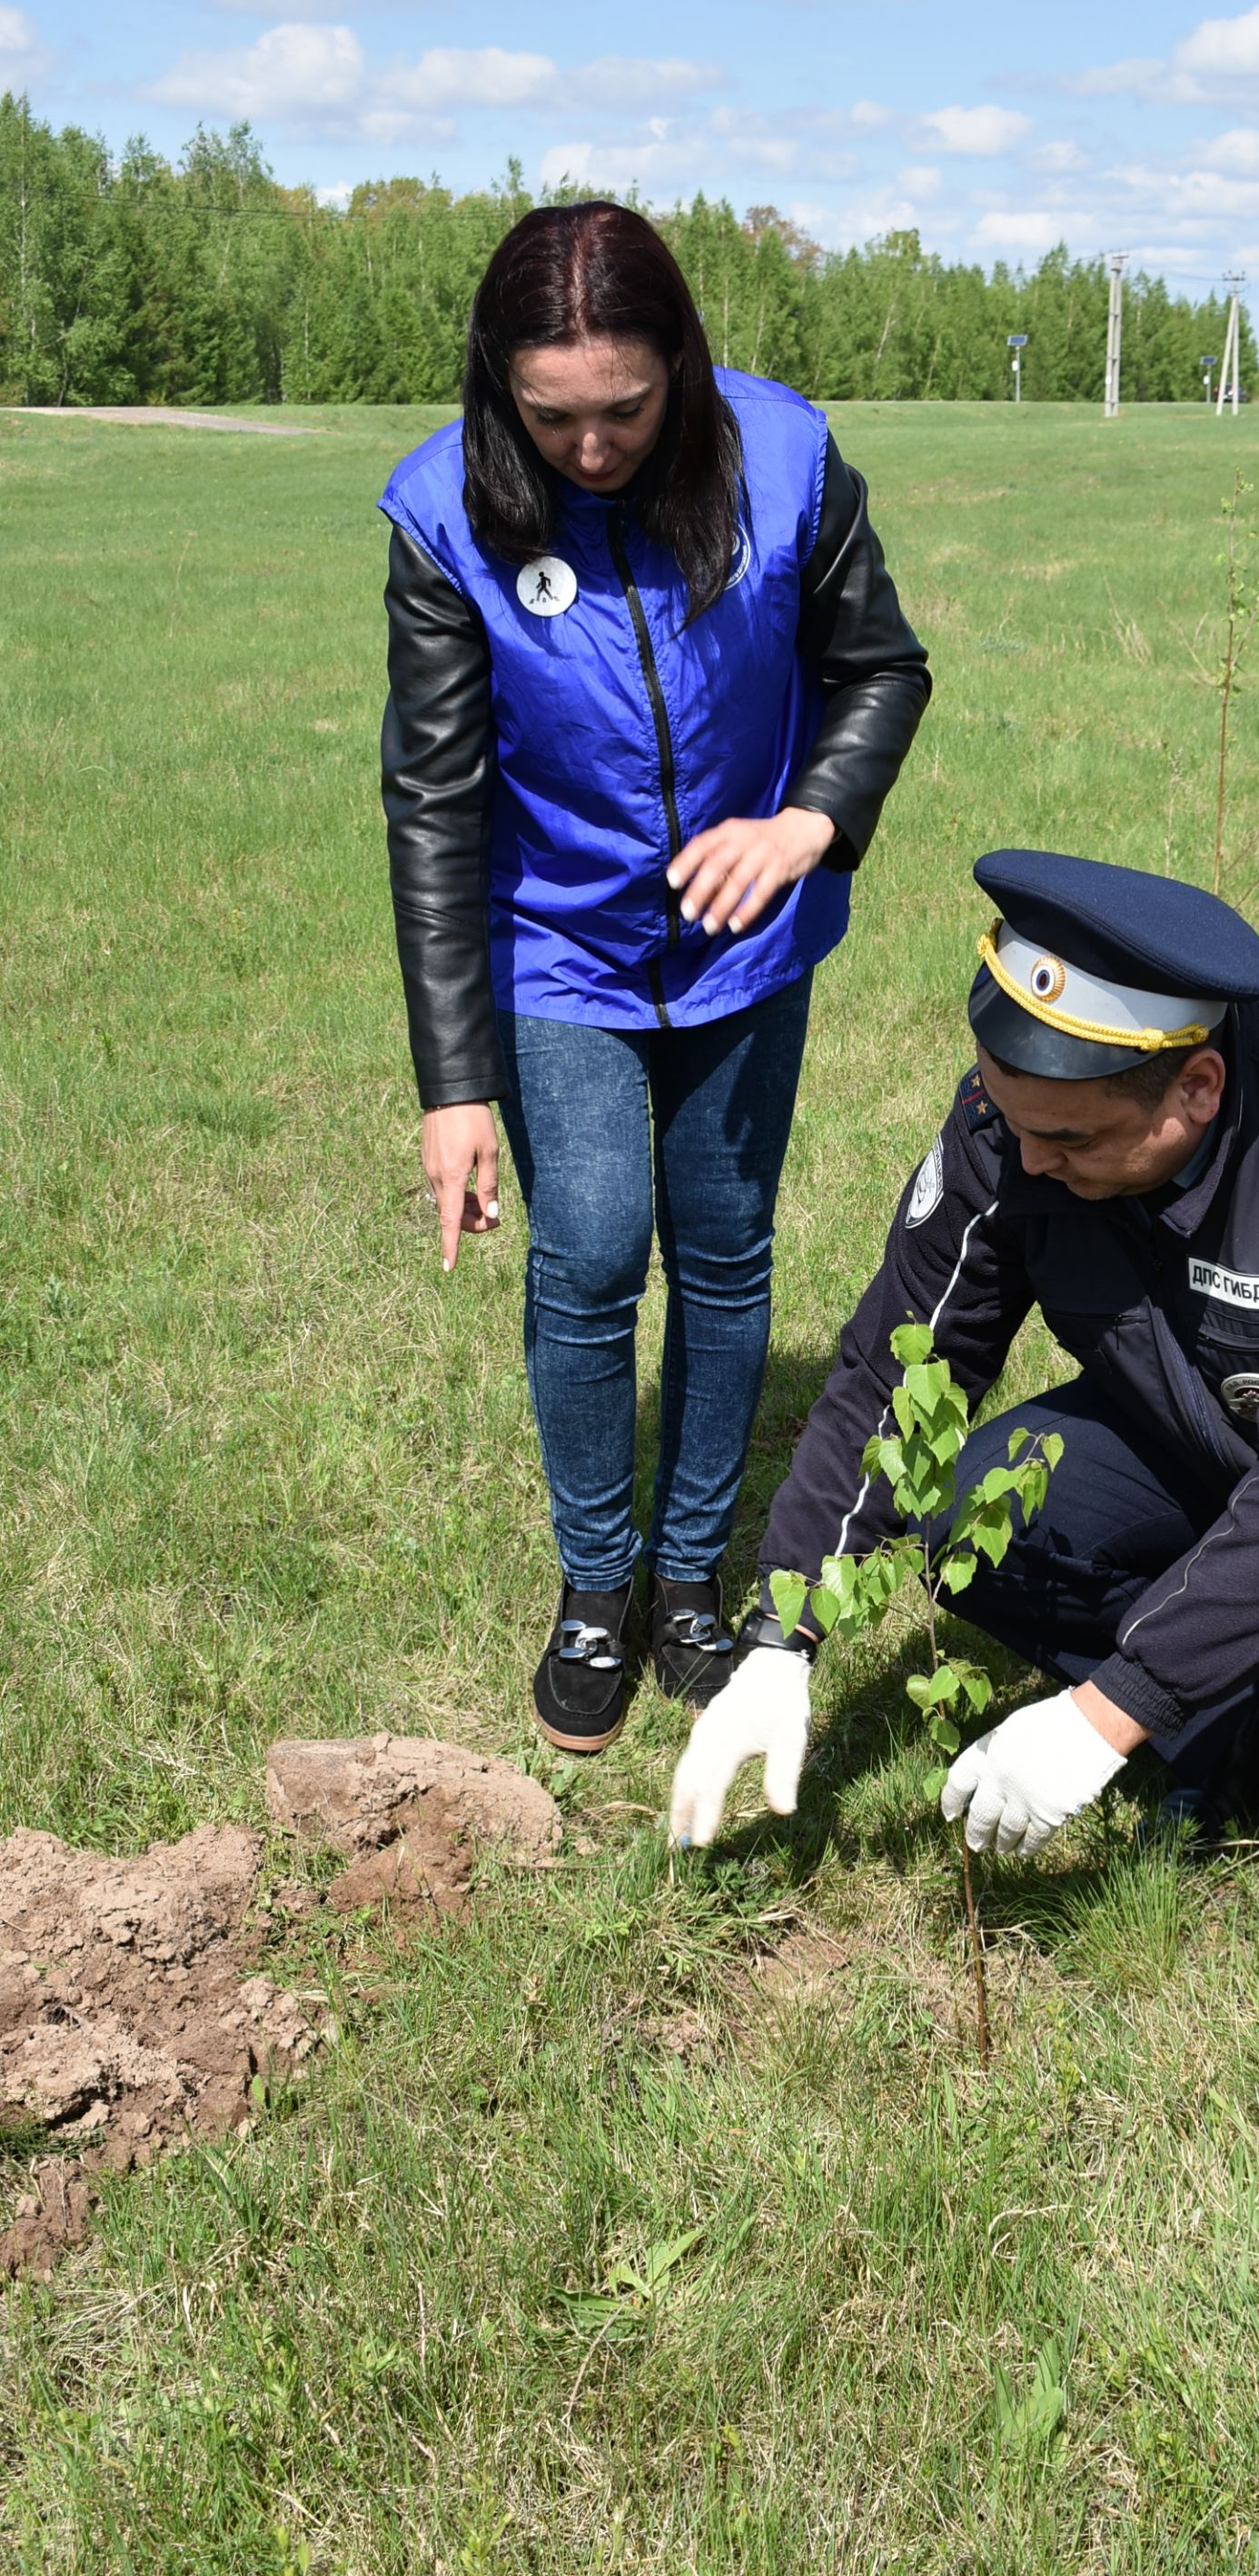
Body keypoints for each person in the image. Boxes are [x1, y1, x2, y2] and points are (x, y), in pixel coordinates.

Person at [669, 849, 1259, 1902]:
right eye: (1009, 1117)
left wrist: (1108, 1711)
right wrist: (783, 1634)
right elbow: (896, 1373)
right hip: (1211, 1413)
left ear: (1197, 1087)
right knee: (980, 1515)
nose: (1027, 1161)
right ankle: (1254, 1715)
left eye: (1070, 1141)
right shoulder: (1023, 1121)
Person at [379, 201, 930, 1754]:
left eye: (626, 408)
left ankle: (691, 1574)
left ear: (681, 365)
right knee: (593, 1244)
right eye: (552, 418)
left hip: (750, 937)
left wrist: (810, 822)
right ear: (499, 390)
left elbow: (880, 667)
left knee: (723, 1242)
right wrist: (454, 1084)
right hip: (553, 940)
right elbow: (433, 799)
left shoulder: (789, 459)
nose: (595, 447)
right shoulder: (444, 518)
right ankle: (593, 1582)